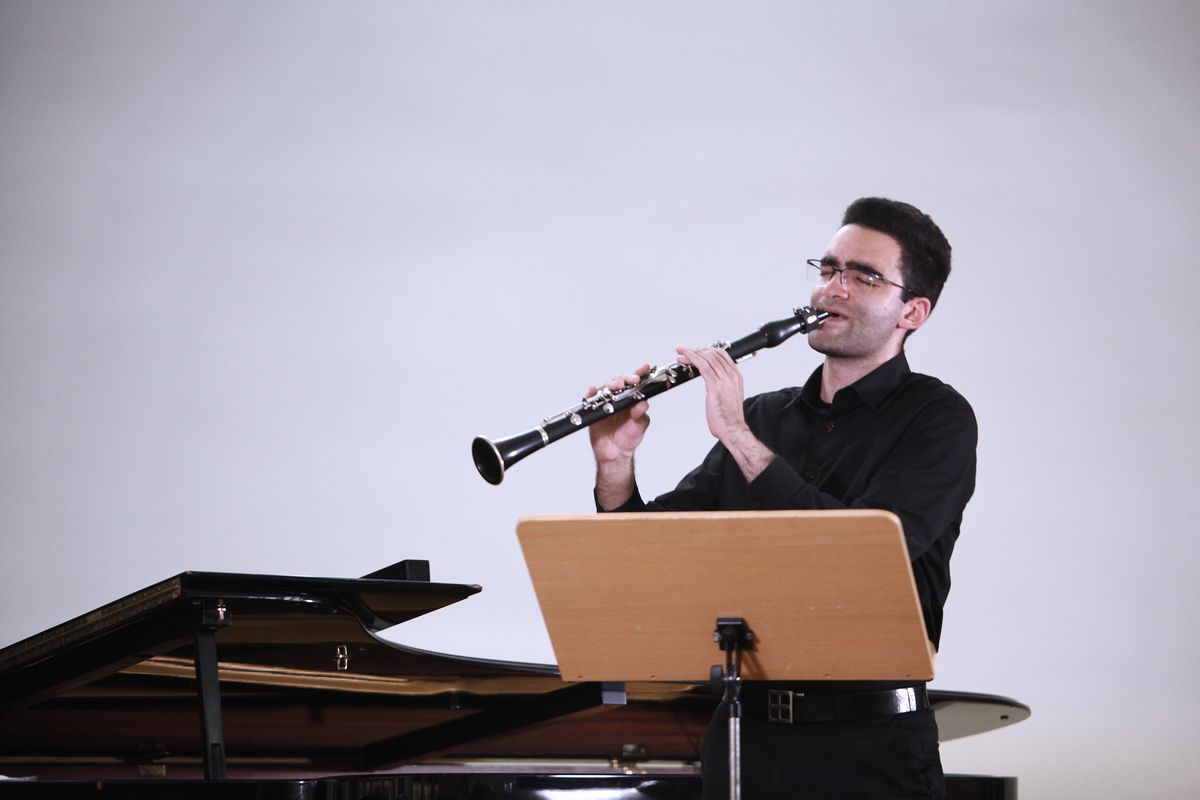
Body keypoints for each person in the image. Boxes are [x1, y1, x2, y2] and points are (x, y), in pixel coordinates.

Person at [588, 197, 976, 799]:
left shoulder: (936, 419)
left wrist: (739, 437)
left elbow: (863, 553)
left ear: (913, 311)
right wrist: (616, 465)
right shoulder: (765, 416)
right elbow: (648, 554)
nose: (832, 289)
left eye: (863, 276)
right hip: (745, 740)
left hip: (871, 749)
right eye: (829, 269)